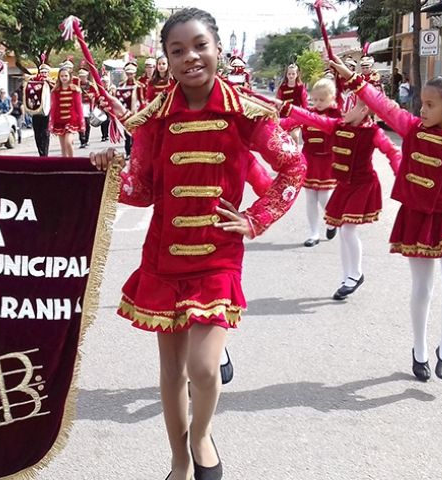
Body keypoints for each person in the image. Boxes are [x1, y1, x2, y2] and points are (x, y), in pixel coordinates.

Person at [91, 8, 305, 480]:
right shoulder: (153, 118)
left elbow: (294, 166)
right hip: (164, 257)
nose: (190, 57)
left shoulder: (245, 112)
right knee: (172, 371)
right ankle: (178, 458)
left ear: (218, 49)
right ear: (166, 59)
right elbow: (143, 190)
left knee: (204, 368)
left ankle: (201, 434)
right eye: (177, 50)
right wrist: (110, 171)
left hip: (217, 256)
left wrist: (256, 218)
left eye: (199, 46)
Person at [333, 60, 442, 382]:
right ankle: (420, 349)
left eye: (430, 105)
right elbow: (383, 106)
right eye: (422, 103)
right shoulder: (411, 128)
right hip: (417, 216)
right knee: (422, 287)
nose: (422, 110)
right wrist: (353, 78)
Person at [280, 95, 401, 300]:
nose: (343, 110)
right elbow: (310, 118)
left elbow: (392, 152)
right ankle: (348, 277)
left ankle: (356, 274)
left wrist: (400, 175)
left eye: (349, 107)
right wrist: (284, 108)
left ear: (363, 110)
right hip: (344, 186)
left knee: (347, 230)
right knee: (344, 232)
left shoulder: (373, 132)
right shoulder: (337, 125)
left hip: (363, 185)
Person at [280, 78, 342, 247]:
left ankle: (331, 221)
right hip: (309, 159)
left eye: (322, 99)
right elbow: (289, 122)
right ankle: (314, 233)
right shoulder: (308, 113)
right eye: (315, 99)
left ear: (332, 98)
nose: (318, 103)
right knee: (310, 197)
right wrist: (271, 122)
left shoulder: (337, 115)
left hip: (328, 160)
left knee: (324, 196)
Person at [48, 60, 85, 158]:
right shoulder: (55, 91)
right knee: (63, 148)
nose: (64, 78)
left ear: (69, 77)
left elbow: (79, 107)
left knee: (68, 142)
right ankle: (65, 164)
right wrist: (51, 123)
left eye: (66, 76)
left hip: (71, 120)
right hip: (59, 121)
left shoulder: (75, 90)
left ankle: (72, 161)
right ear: (59, 77)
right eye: (62, 76)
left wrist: (82, 122)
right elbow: (53, 108)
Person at [24, 61, 54, 156]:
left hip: (47, 111)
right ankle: (40, 153)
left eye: (45, 72)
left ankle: (45, 154)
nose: (43, 74)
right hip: (36, 110)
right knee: (37, 133)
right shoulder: (34, 80)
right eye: (42, 72)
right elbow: (27, 83)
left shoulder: (51, 81)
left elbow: (55, 89)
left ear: (48, 73)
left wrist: (48, 82)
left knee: (45, 133)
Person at [115, 61, 141, 158]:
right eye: (128, 73)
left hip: (136, 113)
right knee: (126, 134)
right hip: (125, 112)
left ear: (135, 74)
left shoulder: (139, 85)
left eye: (131, 73)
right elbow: (118, 99)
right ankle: (128, 152)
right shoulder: (121, 85)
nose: (130, 75)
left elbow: (142, 100)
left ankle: (134, 151)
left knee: (135, 134)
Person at [78, 68, 98, 148]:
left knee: (87, 123)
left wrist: (92, 95)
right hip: (79, 105)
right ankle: (82, 140)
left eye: (83, 76)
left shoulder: (91, 85)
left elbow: (96, 95)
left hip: (87, 106)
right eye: (81, 76)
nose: (82, 78)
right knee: (80, 123)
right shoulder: (77, 85)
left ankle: (86, 139)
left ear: (86, 76)